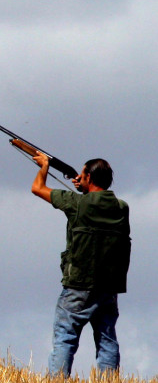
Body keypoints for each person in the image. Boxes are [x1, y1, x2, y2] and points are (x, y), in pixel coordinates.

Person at [30, 152, 131, 377]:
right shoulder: (122, 208)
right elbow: (95, 203)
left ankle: (57, 380)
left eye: (82, 174)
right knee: (107, 339)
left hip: (79, 284)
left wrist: (44, 166)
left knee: (65, 336)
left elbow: (38, 188)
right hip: (108, 286)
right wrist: (84, 187)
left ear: (88, 178)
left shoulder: (77, 203)